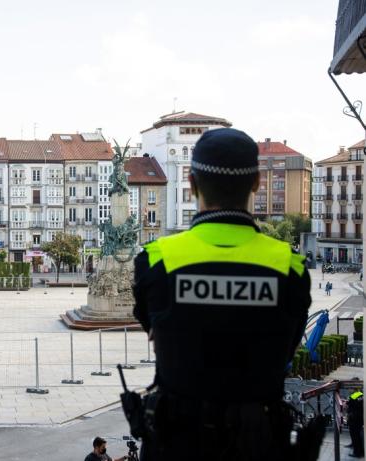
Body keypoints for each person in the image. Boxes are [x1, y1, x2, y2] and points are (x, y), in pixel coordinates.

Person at [133, 128, 311, 461]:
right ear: (257, 183)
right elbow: (289, 345)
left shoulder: (155, 260)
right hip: (258, 443)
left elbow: (153, 329)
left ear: (192, 183)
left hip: (176, 443)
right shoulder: (291, 266)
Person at [347, 388, 364, 458]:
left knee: (355, 436)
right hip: (360, 418)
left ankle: (357, 453)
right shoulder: (361, 395)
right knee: (359, 436)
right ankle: (361, 451)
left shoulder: (353, 396)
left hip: (353, 419)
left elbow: (349, 406)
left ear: (354, 389)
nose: (348, 390)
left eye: (350, 388)